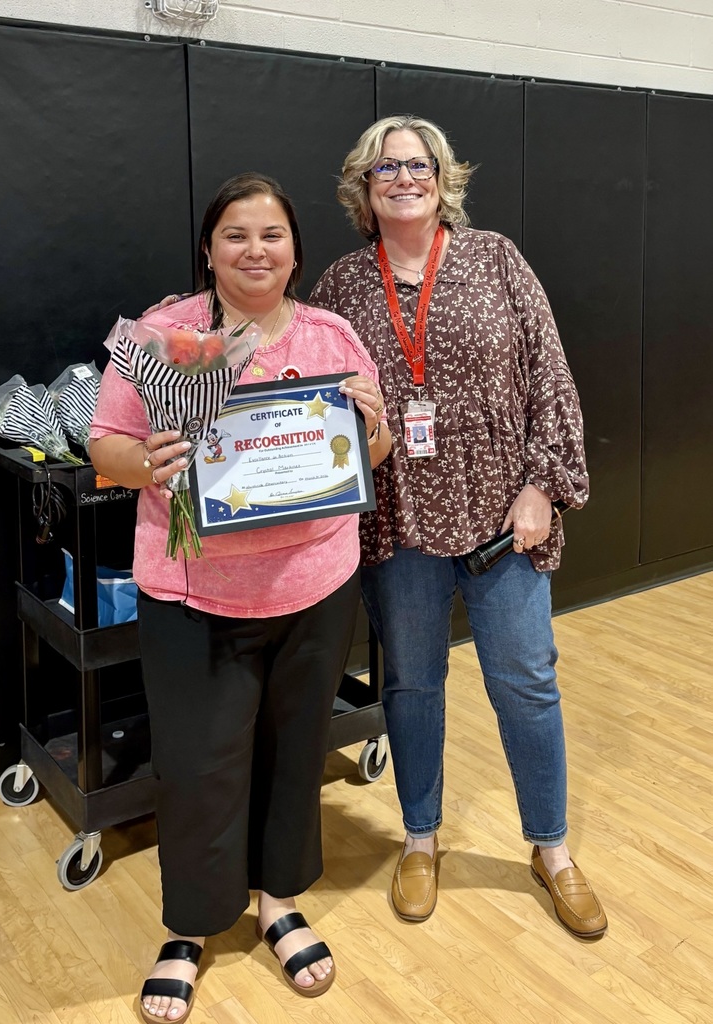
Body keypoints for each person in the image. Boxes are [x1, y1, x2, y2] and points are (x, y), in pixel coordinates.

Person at [89, 172, 391, 1024]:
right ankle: (189, 928)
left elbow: (374, 453)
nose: (256, 251)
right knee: (196, 768)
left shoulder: (333, 337)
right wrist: (148, 463)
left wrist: (369, 426)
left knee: (297, 751)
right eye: (236, 235)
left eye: (272, 235)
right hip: (194, 593)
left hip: (314, 585)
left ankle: (281, 902)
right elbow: (104, 443)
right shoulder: (164, 335)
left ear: (296, 250)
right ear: (208, 249)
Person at [308, 114, 607, 940]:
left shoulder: (496, 258)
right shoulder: (339, 286)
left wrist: (545, 485)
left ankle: (551, 849)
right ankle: (420, 836)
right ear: (363, 187)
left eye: (420, 165)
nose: (405, 179)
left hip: (501, 511)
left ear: (444, 178)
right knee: (410, 681)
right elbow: (304, 390)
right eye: (387, 168)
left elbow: (551, 372)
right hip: (398, 520)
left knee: (527, 683)